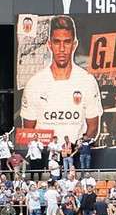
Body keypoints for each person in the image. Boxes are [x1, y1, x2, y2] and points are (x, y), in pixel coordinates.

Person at [16, 16, 103, 151]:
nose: (62, 49)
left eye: (67, 42)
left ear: (74, 45)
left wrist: (75, 149)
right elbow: (27, 131)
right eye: (57, 42)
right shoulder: (34, 84)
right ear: (49, 45)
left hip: (76, 159)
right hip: (46, 160)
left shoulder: (87, 81)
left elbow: (93, 129)